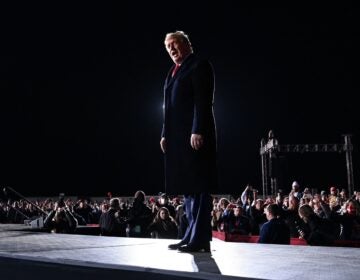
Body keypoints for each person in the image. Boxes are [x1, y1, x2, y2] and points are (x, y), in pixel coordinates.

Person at [161, 31, 217, 252]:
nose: (171, 49)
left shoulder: (199, 65)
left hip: (195, 137)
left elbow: (202, 102)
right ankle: (190, 234)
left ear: (187, 44)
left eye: (175, 44)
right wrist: (165, 133)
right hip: (178, 140)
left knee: (201, 187)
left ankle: (200, 239)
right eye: (168, 47)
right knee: (188, 189)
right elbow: (169, 107)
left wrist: (198, 129)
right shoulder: (172, 72)